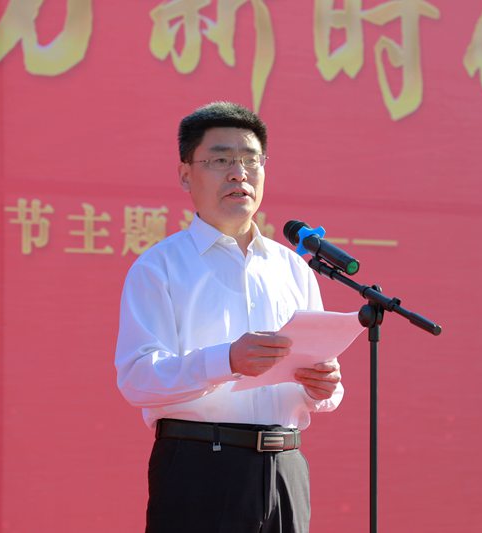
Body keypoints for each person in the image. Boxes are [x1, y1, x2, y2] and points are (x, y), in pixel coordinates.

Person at [115, 101, 344, 532]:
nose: (239, 173)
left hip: (286, 467)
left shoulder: (292, 267)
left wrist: (324, 387)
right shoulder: (160, 267)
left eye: (251, 160)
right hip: (201, 467)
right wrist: (226, 361)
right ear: (186, 174)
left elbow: (323, 380)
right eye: (220, 160)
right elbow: (137, 378)